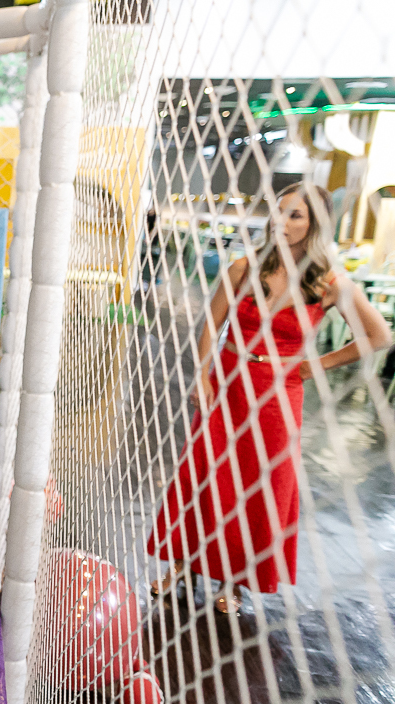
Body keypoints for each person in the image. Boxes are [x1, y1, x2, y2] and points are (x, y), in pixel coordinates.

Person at [148, 184, 392, 613]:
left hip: (279, 393)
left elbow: (378, 336)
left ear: (315, 223)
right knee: (205, 474)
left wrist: (314, 366)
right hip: (227, 381)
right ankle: (182, 565)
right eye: (279, 211)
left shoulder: (329, 282)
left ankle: (235, 581)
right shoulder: (246, 268)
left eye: (295, 215)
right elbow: (211, 324)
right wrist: (203, 374)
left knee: (259, 484)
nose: (282, 221)